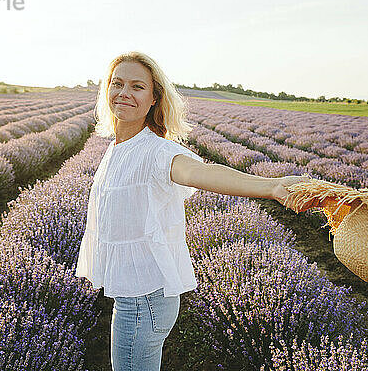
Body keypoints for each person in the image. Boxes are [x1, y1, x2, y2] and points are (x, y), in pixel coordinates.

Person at [74, 51, 309, 371]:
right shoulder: (117, 147)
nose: (124, 93)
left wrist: (271, 186)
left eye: (137, 86)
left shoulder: (157, 150)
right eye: (117, 83)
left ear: (155, 98)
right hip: (133, 296)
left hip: (145, 301)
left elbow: (201, 172)